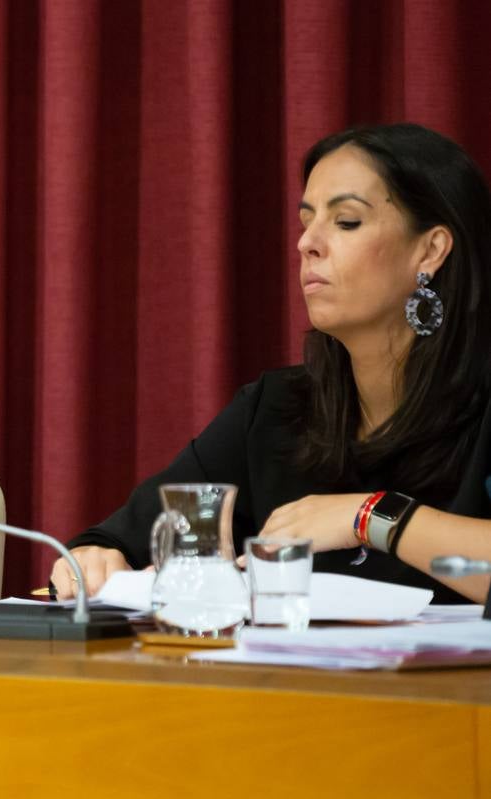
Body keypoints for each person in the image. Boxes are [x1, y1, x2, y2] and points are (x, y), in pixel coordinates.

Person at [55, 123, 491, 604]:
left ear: (430, 250)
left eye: (346, 222)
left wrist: (371, 518)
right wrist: (95, 555)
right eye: (307, 221)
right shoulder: (274, 409)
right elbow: (130, 534)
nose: (307, 244)